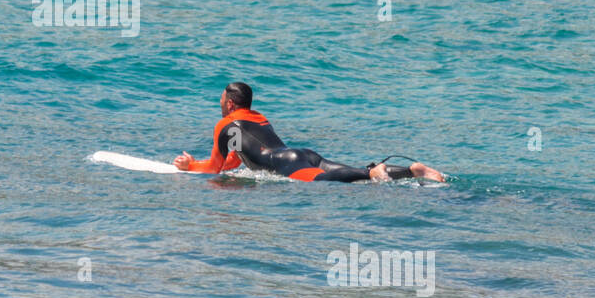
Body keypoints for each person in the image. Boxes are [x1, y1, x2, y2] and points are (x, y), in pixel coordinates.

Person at [172, 82, 447, 182]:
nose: (219, 104)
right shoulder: (258, 117)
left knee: (333, 180)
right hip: (303, 153)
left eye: (221, 101)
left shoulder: (224, 125)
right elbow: (237, 157)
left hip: (284, 164)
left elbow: (214, 169)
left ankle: (371, 171)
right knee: (349, 170)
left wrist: (189, 165)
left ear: (230, 104)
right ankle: (412, 170)